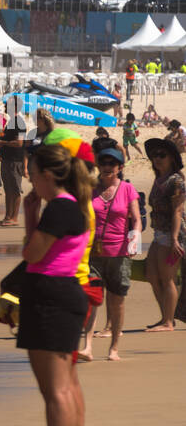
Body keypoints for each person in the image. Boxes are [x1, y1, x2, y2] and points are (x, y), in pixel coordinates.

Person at [17, 145, 92, 426]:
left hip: (51, 295)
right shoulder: (74, 206)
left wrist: (30, 216)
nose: (30, 181)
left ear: (47, 176)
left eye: (32, 175)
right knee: (68, 385)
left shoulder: (59, 208)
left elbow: (32, 254)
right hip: (62, 294)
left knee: (56, 389)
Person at [88, 147, 139, 359]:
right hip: (93, 253)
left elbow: (135, 218)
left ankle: (114, 348)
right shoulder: (91, 188)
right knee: (91, 299)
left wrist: (134, 237)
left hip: (119, 253)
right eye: (103, 163)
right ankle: (87, 346)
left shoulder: (127, 189)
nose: (107, 167)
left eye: (112, 164)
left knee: (117, 301)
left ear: (120, 167)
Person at [144, 137, 186, 331]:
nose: (157, 159)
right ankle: (165, 317)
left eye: (162, 155)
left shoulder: (176, 180)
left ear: (171, 158)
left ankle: (168, 322)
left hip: (172, 235)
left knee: (167, 277)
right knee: (151, 274)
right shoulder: (158, 179)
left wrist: (175, 239)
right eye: (154, 155)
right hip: (159, 233)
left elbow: (178, 211)